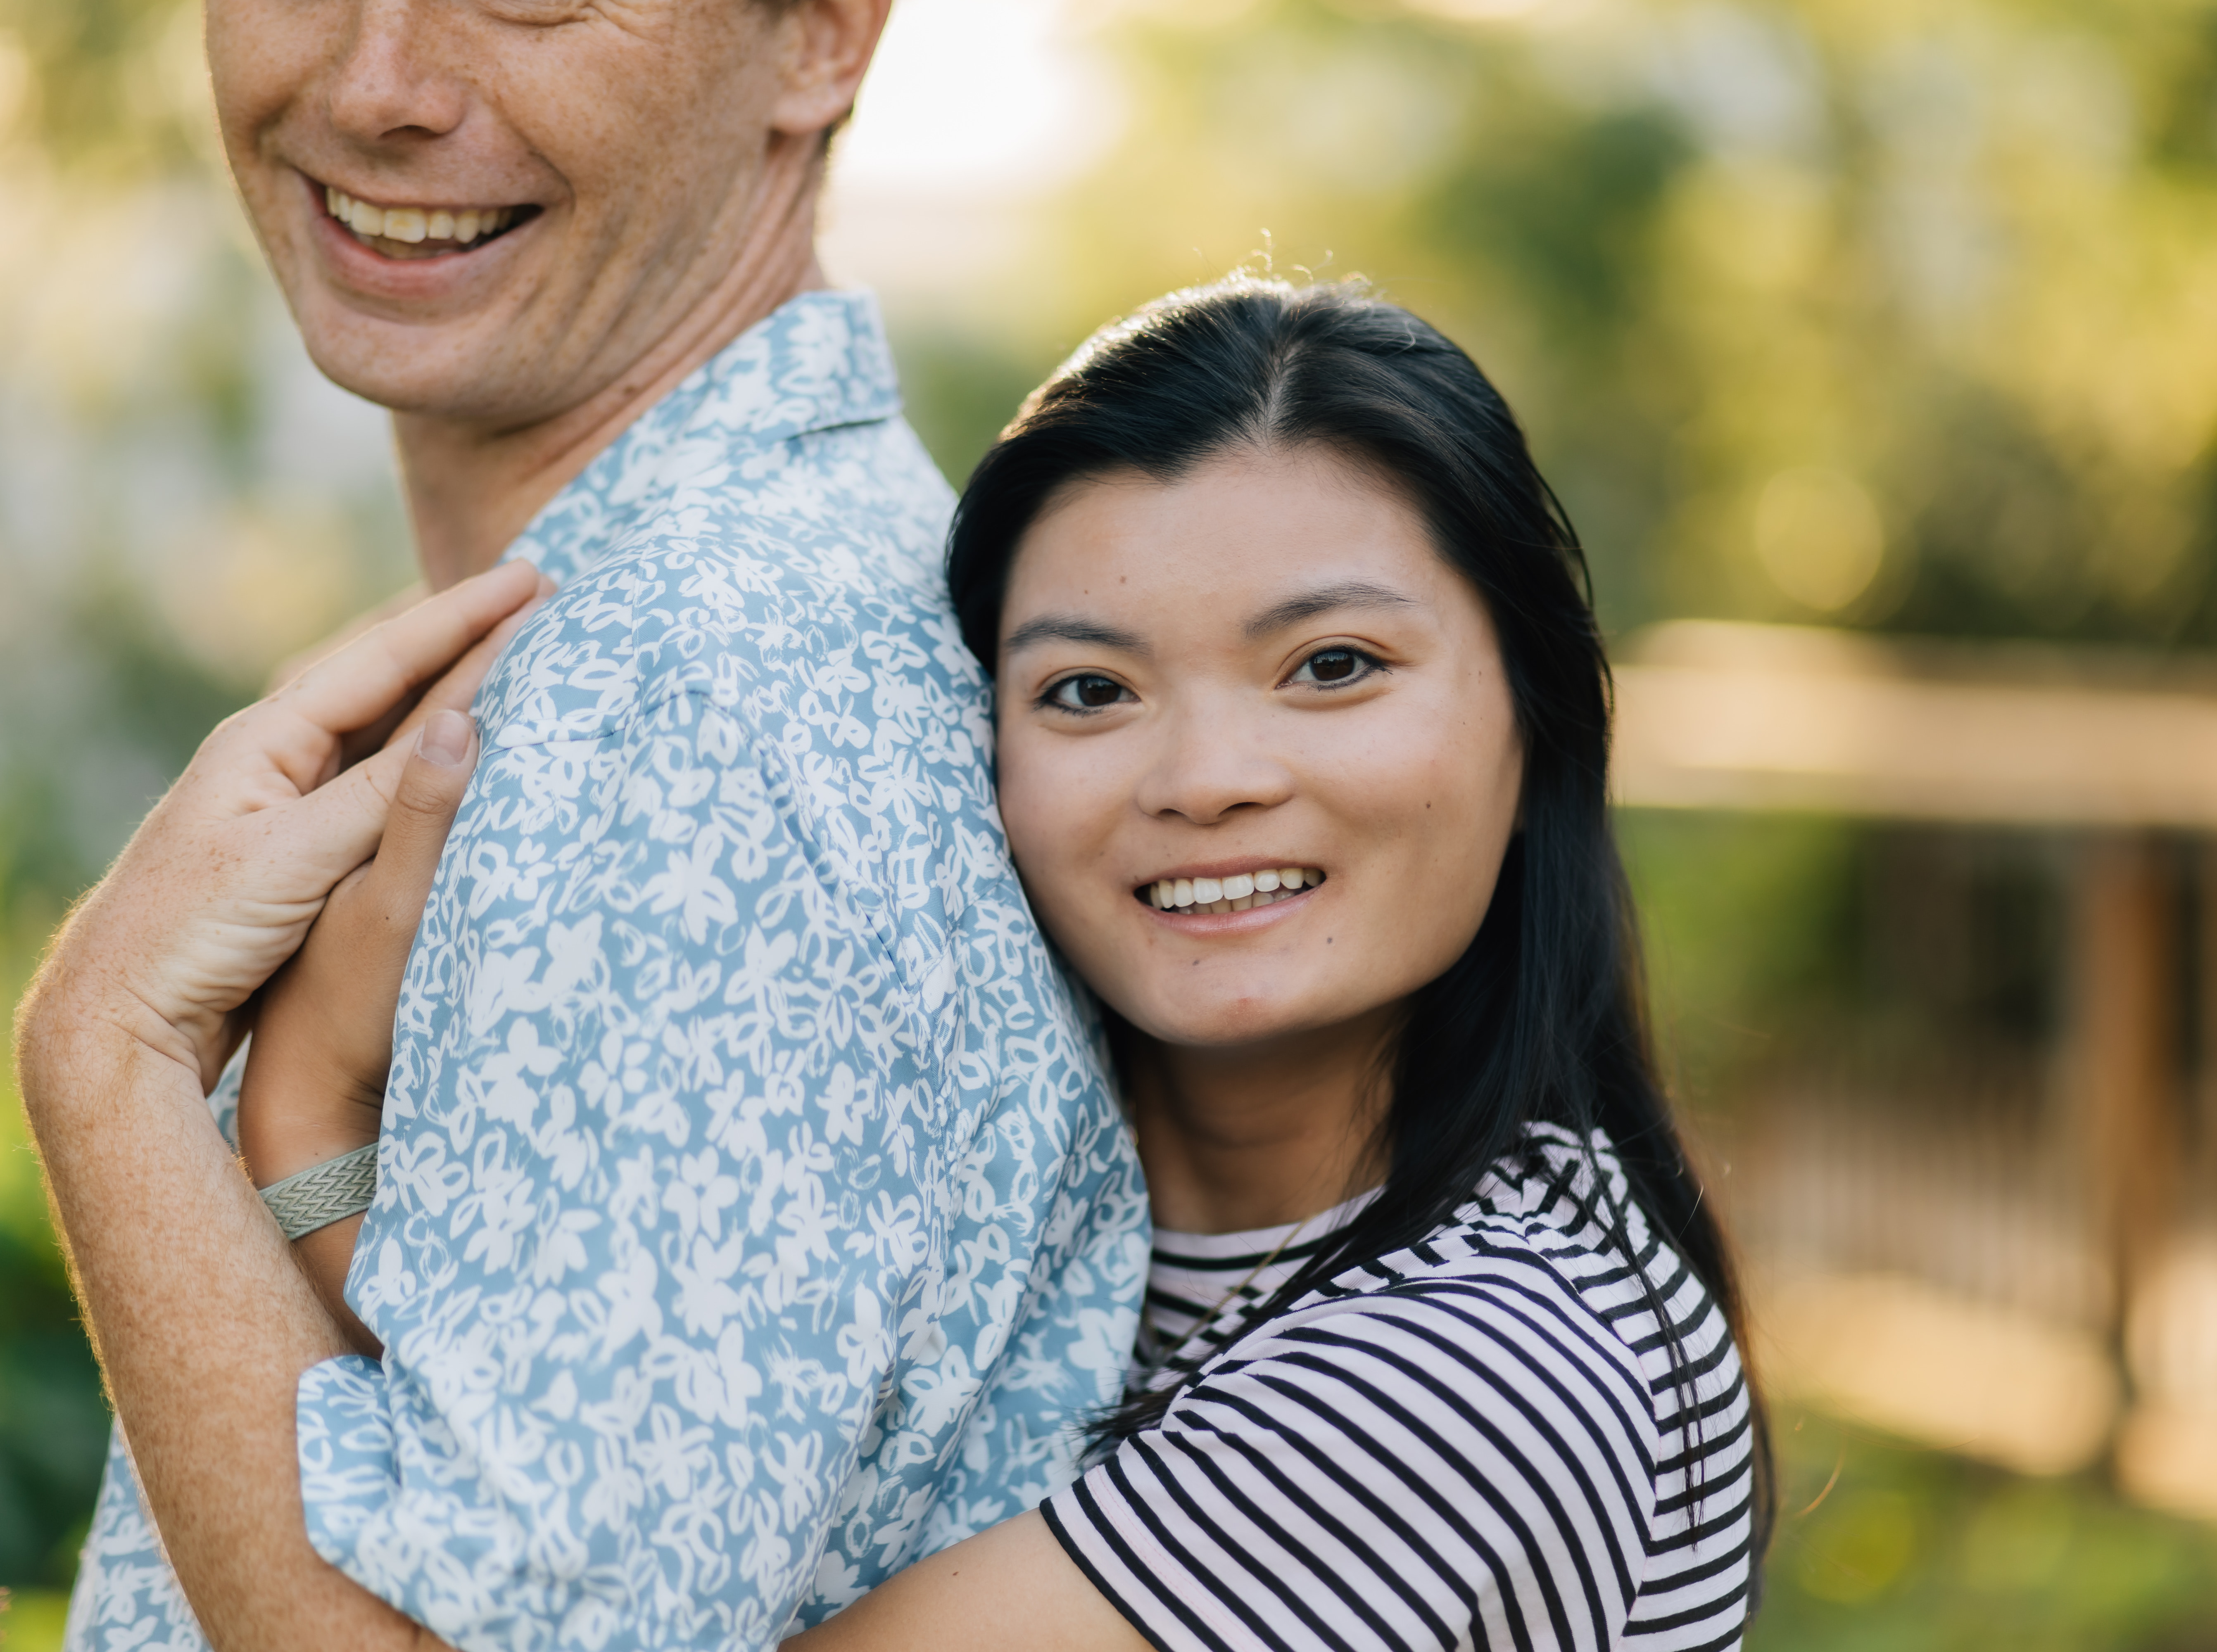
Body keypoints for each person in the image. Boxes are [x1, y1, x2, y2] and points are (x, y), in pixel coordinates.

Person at [29, 276, 1770, 1649]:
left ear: (1534, 713)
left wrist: (125, 1063)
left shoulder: (1496, 1357)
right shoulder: (1051, 1199)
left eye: (1330, 665)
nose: (1208, 773)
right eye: (1089, 690)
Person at [17, 0, 1146, 1646]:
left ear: (823, 37)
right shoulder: (640, 624)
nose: (376, 84)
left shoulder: (693, 692)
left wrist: (102, 1058)